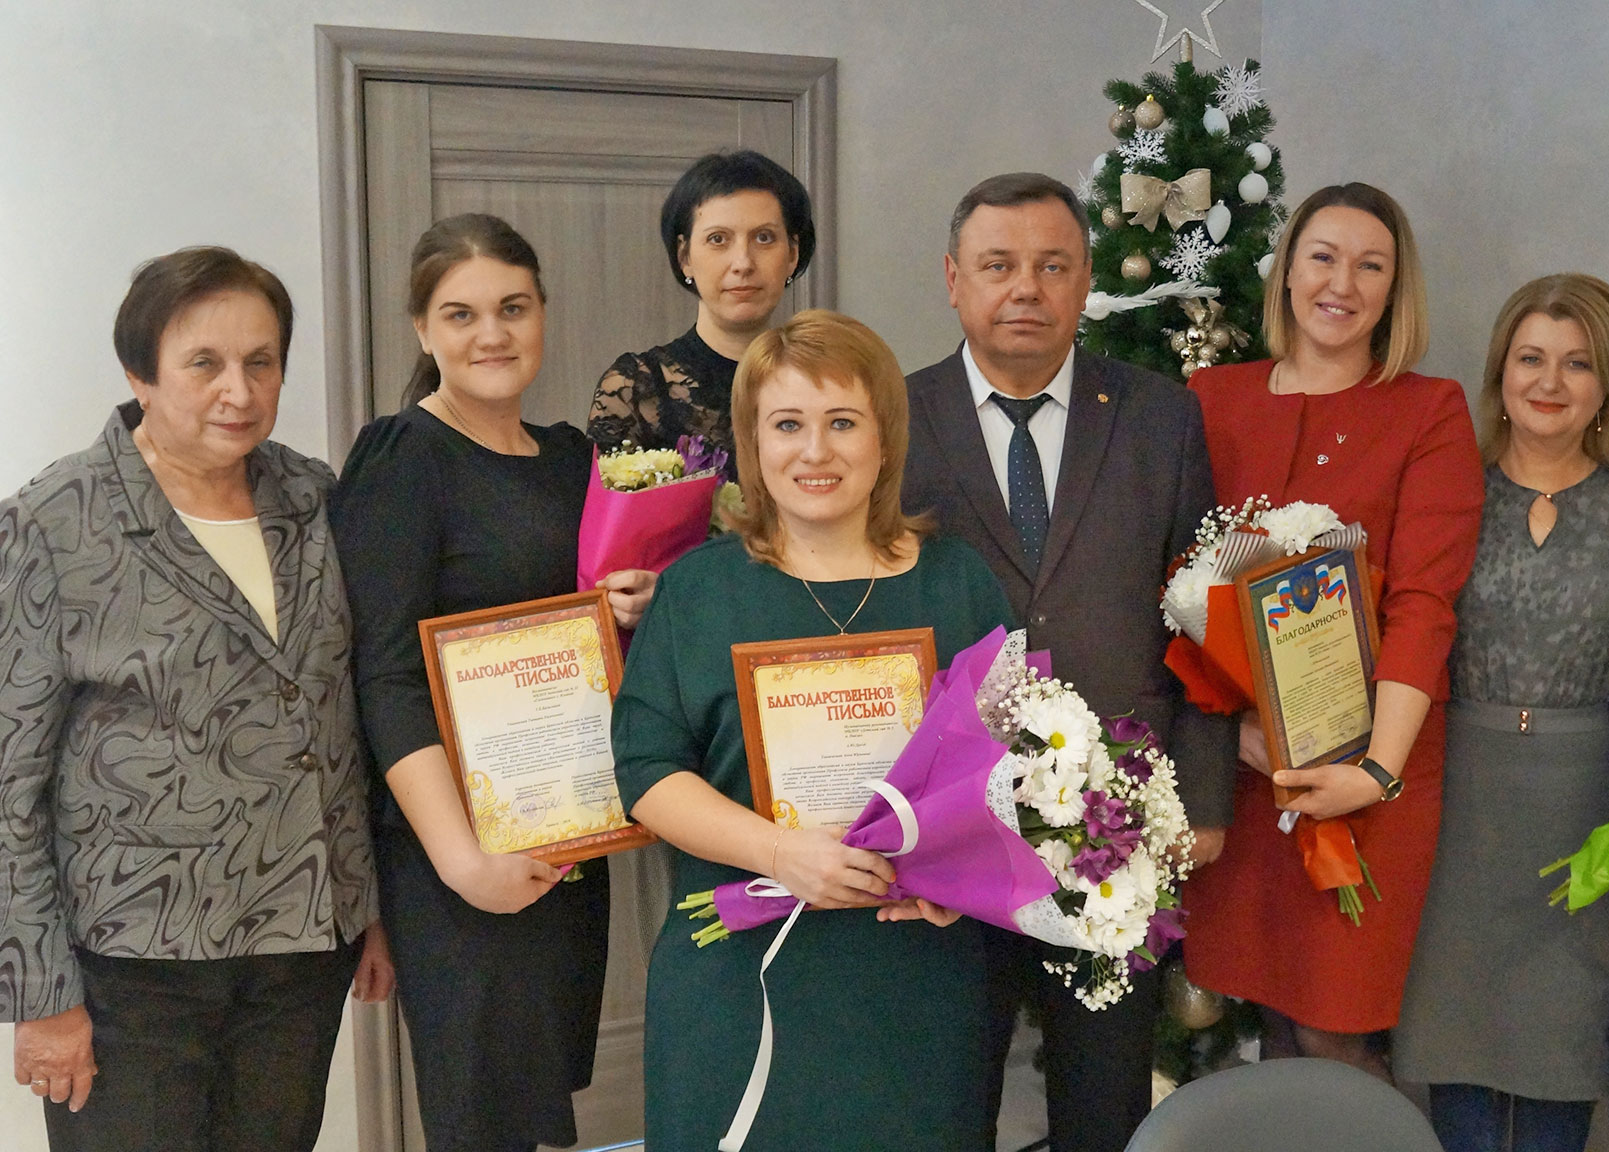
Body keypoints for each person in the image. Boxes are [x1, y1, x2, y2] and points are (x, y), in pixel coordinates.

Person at [0, 247, 391, 1151]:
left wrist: (371, 904)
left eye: (261, 361)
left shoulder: (314, 497)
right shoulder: (53, 523)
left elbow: (346, 718)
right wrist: (40, 994)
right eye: (204, 363)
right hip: (131, 965)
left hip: (301, 945)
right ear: (139, 373)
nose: (238, 392)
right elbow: (8, 783)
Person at [614, 309, 1013, 1150]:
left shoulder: (959, 585)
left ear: (885, 438)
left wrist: (961, 880)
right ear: (753, 443)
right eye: (788, 425)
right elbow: (647, 772)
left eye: (843, 423)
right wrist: (779, 852)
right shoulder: (697, 591)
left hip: (913, 980)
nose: (815, 451)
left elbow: (1014, 772)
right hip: (738, 975)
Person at [900, 172, 1235, 1152]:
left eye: (1052, 266)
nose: (1026, 288)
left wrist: (1206, 796)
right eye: (999, 265)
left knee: (1103, 1102)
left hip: (1116, 824)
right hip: (950, 825)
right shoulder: (891, 416)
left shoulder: (1161, 416)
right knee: (945, 1101)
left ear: (1087, 280)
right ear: (953, 279)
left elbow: (1203, 618)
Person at [330, 214, 648, 1152]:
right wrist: (462, 861)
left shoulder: (572, 459)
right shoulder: (401, 457)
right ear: (422, 330)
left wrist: (632, 606)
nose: (492, 334)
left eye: (513, 308)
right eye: (460, 314)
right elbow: (384, 676)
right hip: (456, 852)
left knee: (534, 1105)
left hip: (566, 833)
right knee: (479, 1118)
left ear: (543, 312)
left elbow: (591, 636)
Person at [1180, 182, 1483, 1078]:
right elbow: (1171, 583)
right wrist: (1228, 737)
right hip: (1242, 767)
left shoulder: (1428, 409)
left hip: (1373, 773)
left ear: (1396, 290)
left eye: (1370, 265)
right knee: (1263, 1013)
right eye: (1323, 257)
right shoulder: (1207, 398)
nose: (1341, 283)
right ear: (1286, 272)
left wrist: (1375, 771)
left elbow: (1425, 603)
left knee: (1334, 1027)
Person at [1393, 274, 1609, 1151]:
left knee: (1564, 1039)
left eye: (1577, 364)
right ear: (1500, 373)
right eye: (1531, 358)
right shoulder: (1445, 486)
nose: (1550, 382)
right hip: (1455, 792)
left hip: (1589, 796)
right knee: (1455, 1033)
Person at [586, 148, 815, 469]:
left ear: (792, 254)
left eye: (764, 238)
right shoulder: (635, 388)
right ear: (685, 258)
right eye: (718, 239)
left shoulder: (826, 378)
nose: (743, 263)